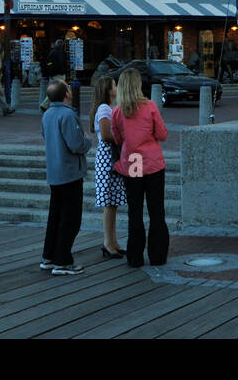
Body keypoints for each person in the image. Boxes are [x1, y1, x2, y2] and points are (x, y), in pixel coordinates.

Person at [110, 67, 169, 268]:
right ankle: (158, 255)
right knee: (156, 210)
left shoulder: (117, 111)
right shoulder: (150, 106)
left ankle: (135, 256)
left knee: (135, 211)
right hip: (152, 162)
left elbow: (117, 138)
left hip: (132, 161)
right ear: (138, 85)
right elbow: (162, 134)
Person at [39, 78, 90, 275]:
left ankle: (48, 256)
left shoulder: (47, 115)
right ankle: (63, 260)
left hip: (54, 171)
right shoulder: (68, 115)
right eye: (68, 89)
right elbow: (76, 144)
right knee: (71, 218)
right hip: (69, 172)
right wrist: (87, 142)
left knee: (55, 216)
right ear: (66, 94)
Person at [90, 75, 127, 259]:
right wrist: (122, 139)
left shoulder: (110, 107)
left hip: (110, 156)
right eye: (114, 84)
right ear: (107, 89)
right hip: (108, 156)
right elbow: (105, 135)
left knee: (112, 203)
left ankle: (113, 242)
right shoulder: (104, 108)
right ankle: (108, 242)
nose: (117, 86)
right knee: (109, 203)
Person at [39, 38, 68, 112]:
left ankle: (50, 105)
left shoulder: (52, 52)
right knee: (58, 90)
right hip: (59, 74)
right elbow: (61, 63)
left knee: (56, 89)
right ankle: (45, 105)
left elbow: (48, 63)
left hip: (52, 74)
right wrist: (63, 71)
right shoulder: (60, 53)